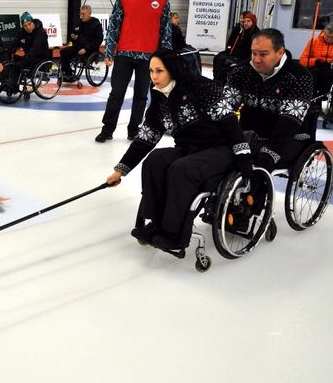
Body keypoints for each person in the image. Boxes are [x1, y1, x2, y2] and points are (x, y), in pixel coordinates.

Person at [105, 49, 246, 251]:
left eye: (159, 71)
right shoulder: (160, 97)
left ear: (171, 70)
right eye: (151, 71)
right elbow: (146, 137)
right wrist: (120, 171)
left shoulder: (200, 87)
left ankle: (174, 233)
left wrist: (242, 153)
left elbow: (229, 121)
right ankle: (155, 222)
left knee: (181, 169)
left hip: (219, 148)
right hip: (188, 148)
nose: (154, 76)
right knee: (155, 160)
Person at [212, 28, 315, 174]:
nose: (256, 59)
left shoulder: (299, 76)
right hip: (249, 134)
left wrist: (270, 153)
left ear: (280, 52)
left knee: (259, 164)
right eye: (253, 53)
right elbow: (226, 107)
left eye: (263, 54)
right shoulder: (241, 71)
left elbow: (290, 122)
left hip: (289, 138)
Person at [96, 0, 172, 143]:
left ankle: (133, 129)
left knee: (140, 96)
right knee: (117, 93)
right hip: (124, 53)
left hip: (149, 57)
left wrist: (165, 59)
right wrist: (109, 51)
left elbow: (166, 30)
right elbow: (114, 25)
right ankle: (107, 129)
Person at [299, 22, 333, 96]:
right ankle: (311, 97)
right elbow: (302, 60)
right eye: (327, 36)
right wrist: (316, 62)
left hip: (331, 70)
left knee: (329, 74)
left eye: (332, 37)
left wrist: (332, 63)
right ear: (324, 32)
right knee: (313, 73)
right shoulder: (314, 41)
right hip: (316, 68)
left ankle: (321, 98)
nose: (329, 39)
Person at [212, 11, 259, 81]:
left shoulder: (255, 34)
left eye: (248, 21)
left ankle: (219, 81)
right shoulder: (243, 31)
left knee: (222, 61)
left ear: (253, 22)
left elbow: (250, 52)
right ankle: (216, 79)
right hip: (236, 54)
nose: (246, 23)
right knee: (217, 57)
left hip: (244, 58)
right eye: (245, 21)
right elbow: (233, 42)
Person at [60, 4, 104, 78]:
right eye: (80, 13)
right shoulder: (80, 23)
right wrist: (74, 37)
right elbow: (75, 33)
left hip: (90, 49)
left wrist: (86, 49)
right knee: (63, 51)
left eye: (83, 14)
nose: (81, 16)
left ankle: (68, 73)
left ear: (89, 13)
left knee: (76, 53)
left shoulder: (96, 24)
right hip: (79, 46)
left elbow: (98, 40)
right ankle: (67, 72)